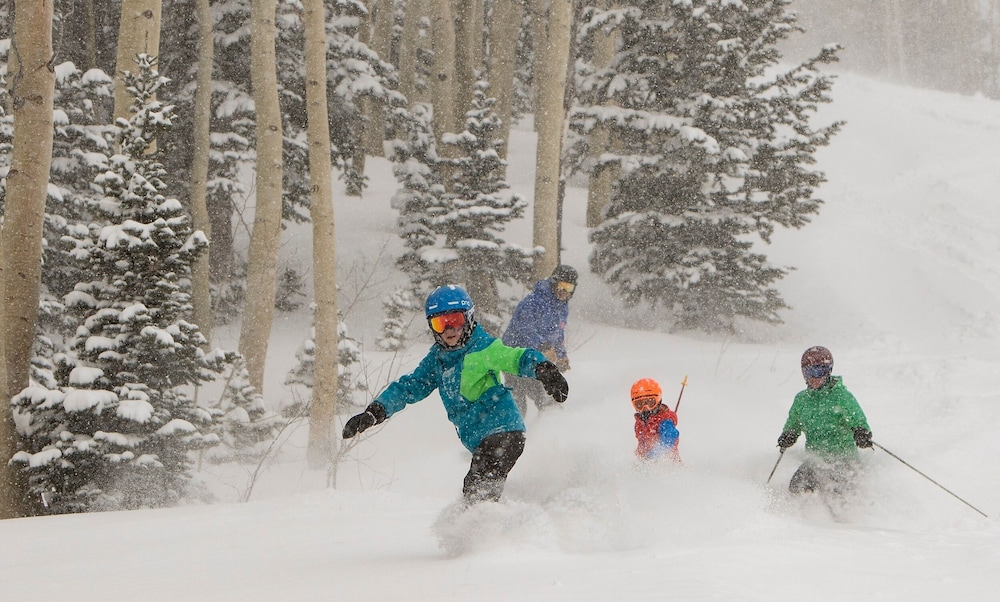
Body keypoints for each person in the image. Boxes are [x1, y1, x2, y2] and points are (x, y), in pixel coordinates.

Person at [342, 284, 569, 505]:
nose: (449, 330)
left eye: (456, 321)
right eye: (441, 323)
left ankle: (486, 525)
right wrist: (375, 411)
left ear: (468, 319)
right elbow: (409, 386)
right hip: (482, 440)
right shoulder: (437, 360)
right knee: (477, 492)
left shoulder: (483, 348)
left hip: (504, 431)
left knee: (477, 490)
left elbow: (516, 357)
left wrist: (544, 370)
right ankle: (502, 518)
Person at [776, 346, 873, 495]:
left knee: (837, 493)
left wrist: (861, 432)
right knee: (797, 486)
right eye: (809, 372)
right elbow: (793, 423)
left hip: (843, 460)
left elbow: (858, 419)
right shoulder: (802, 400)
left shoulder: (841, 397)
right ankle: (793, 509)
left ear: (828, 372)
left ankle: (849, 507)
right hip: (816, 461)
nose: (815, 377)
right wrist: (789, 435)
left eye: (819, 372)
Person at [501, 264, 577, 415]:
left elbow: (558, 333)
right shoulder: (533, 302)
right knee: (518, 402)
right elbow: (525, 329)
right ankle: (511, 425)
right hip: (514, 356)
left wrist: (561, 355)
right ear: (554, 283)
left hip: (535, 359)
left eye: (569, 288)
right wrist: (543, 346)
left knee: (546, 397)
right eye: (562, 286)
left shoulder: (562, 307)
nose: (564, 292)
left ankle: (549, 425)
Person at [631, 378, 681, 462]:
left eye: (650, 403)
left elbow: (671, 436)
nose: (645, 408)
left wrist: (656, 452)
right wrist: (638, 459)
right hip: (646, 465)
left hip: (667, 464)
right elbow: (641, 444)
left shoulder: (664, 420)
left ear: (659, 400)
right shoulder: (639, 423)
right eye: (639, 404)